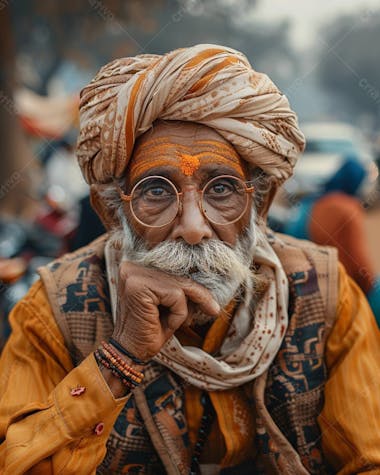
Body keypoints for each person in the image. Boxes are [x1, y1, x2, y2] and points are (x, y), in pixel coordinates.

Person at [0, 44, 380, 475]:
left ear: (261, 204)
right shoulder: (52, 309)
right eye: (157, 191)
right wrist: (121, 357)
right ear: (112, 213)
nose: (194, 227)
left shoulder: (325, 291)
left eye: (221, 188)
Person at [284, 157, 380, 324]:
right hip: (337, 294)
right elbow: (358, 263)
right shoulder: (347, 208)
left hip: (299, 288)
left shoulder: (311, 203)